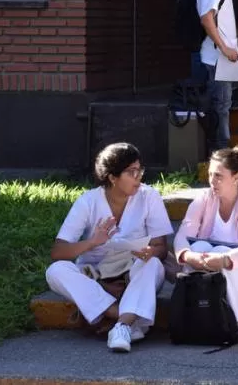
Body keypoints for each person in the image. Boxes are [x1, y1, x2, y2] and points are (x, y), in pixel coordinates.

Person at [45, 143, 172, 353]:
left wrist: (151, 252)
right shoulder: (88, 201)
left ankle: (119, 326)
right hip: (98, 278)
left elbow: (161, 247)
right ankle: (125, 320)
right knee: (55, 271)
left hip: (134, 275)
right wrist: (92, 242)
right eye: (132, 172)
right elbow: (58, 252)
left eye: (140, 170)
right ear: (112, 177)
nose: (138, 176)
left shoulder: (149, 196)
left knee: (154, 265)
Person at [173, 146, 238, 341]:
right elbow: (184, 233)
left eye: (218, 176)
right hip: (206, 271)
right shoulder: (204, 198)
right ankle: (191, 317)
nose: (212, 181)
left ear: (236, 177)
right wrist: (188, 255)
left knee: (224, 251)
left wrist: (225, 260)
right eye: (210, 175)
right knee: (198, 247)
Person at [198, 0, 238, 152]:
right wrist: (224, 48)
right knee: (221, 107)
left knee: (223, 105)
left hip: (222, 58)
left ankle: (221, 151)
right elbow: (207, 19)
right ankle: (221, 153)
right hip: (216, 59)